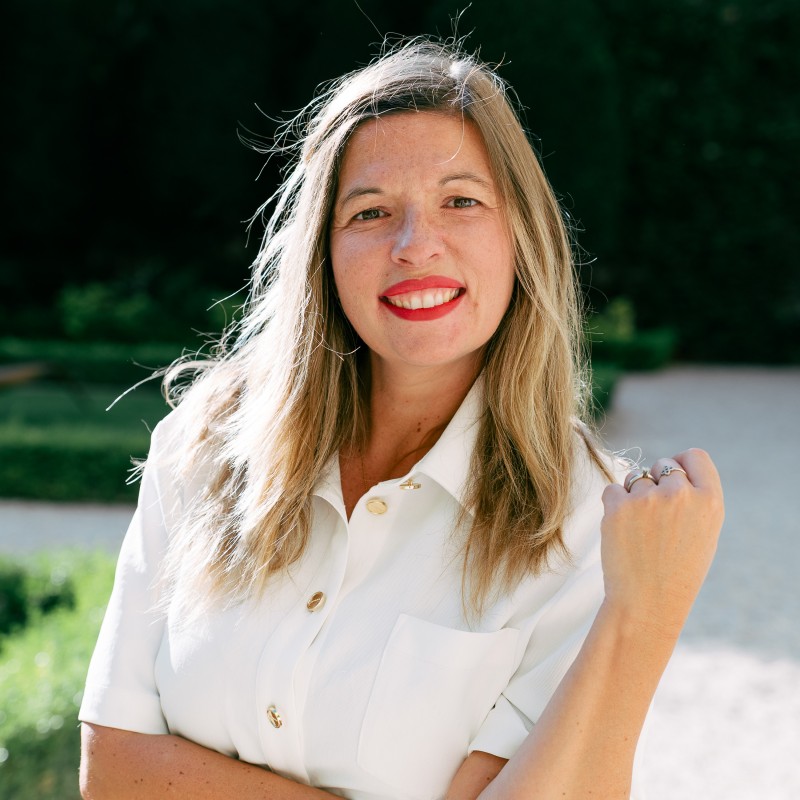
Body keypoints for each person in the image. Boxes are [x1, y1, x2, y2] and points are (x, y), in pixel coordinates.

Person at [78, 38, 724, 800]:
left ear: (520, 234)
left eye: (461, 201)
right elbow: (114, 768)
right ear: (324, 248)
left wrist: (642, 617)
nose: (417, 246)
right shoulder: (205, 444)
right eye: (371, 211)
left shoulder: (592, 524)